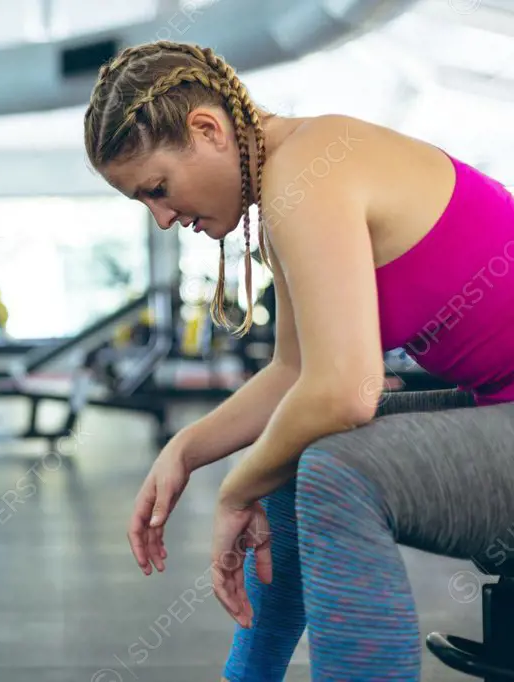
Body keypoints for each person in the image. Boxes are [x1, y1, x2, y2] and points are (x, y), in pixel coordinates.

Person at [82, 41, 514, 681]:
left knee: (336, 467)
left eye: (159, 189)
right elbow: (295, 375)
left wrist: (234, 491)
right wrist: (187, 448)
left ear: (208, 130)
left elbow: (346, 391)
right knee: (293, 443)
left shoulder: (307, 172)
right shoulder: (293, 175)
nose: (164, 219)